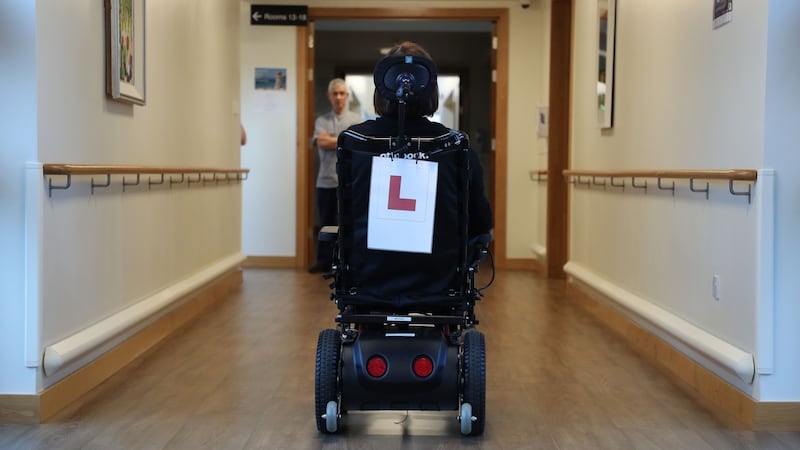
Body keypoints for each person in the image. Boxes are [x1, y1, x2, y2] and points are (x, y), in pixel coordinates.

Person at [348, 41, 493, 238]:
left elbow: (346, 216)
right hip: (440, 267)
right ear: (431, 90)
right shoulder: (457, 146)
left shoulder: (355, 141)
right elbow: (480, 223)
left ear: (381, 89)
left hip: (366, 266)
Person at [309, 78, 363, 273]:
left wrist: (332, 139)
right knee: (325, 222)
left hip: (349, 182)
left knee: (348, 221)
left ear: (347, 95)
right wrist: (344, 139)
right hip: (325, 181)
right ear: (329, 96)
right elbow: (322, 143)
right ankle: (324, 261)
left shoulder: (357, 120)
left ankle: (347, 263)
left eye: (342, 93)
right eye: (335, 94)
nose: (339, 97)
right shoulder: (321, 120)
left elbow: (356, 146)